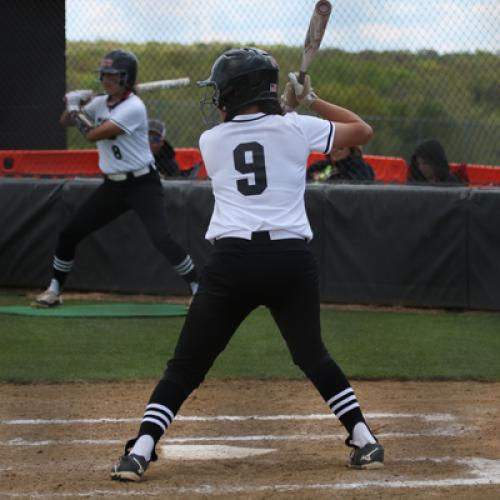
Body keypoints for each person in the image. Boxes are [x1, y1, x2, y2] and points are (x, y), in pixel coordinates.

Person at [110, 47, 384, 482]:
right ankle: (365, 439)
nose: (217, 96)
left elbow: (249, 131)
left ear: (237, 92)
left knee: (186, 366)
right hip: (291, 262)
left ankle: (140, 450)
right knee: (312, 356)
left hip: (233, 262)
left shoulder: (211, 140)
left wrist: (284, 111)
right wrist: (309, 102)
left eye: (223, 89)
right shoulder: (295, 128)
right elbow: (362, 130)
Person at [33, 49, 199, 307]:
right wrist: (72, 105)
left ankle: (198, 288)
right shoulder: (100, 103)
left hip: (142, 183)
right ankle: (54, 290)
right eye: (105, 75)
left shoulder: (134, 107)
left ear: (127, 78)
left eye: (114, 76)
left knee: (162, 238)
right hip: (113, 185)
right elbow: (65, 121)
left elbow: (94, 134)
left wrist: (77, 108)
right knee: (70, 233)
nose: (106, 80)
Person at [307, 145, 375, 182]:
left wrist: (321, 179)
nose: (335, 150)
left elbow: (348, 187)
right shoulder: (320, 165)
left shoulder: (360, 167)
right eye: (332, 146)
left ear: (351, 149)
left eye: (340, 148)